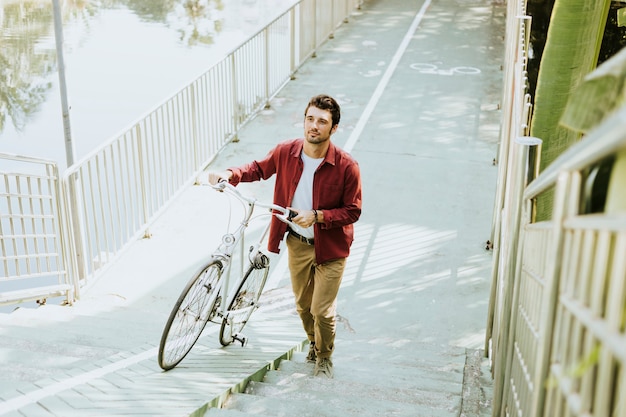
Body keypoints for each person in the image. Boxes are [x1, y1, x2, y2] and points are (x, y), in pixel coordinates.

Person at [208, 94, 362, 378]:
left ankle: (325, 357)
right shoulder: (286, 152)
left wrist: (317, 216)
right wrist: (230, 173)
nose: (314, 126)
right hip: (297, 243)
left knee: (322, 310)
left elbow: (353, 211)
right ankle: (314, 345)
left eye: (322, 121)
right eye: (310, 118)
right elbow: (257, 169)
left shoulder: (346, 166)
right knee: (303, 306)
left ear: (334, 128)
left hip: (331, 248)